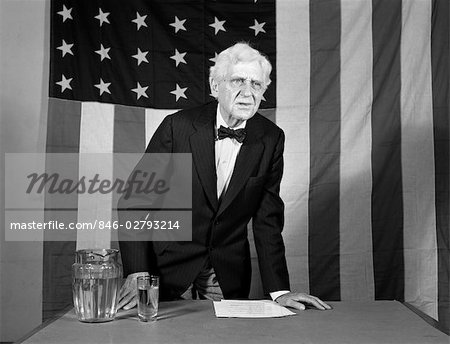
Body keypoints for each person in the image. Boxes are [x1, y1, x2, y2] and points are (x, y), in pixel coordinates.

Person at [117, 42, 331, 311]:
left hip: (226, 275)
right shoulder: (178, 127)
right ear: (215, 87)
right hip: (165, 269)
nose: (247, 92)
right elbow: (135, 202)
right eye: (238, 81)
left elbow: (267, 221)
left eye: (256, 84)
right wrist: (137, 271)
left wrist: (279, 291)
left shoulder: (271, 139)